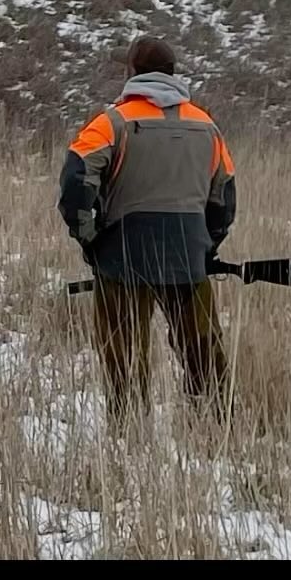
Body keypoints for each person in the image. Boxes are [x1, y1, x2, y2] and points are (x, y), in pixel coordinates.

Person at [58, 35, 236, 423]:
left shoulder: (112, 123)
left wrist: (89, 238)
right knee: (204, 353)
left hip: (122, 261)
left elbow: (75, 180)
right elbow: (224, 199)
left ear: (132, 72)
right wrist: (206, 248)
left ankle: (128, 436)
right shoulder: (207, 127)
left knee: (124, 357)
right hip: (188, 259)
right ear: (173, 73)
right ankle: (219, 428)